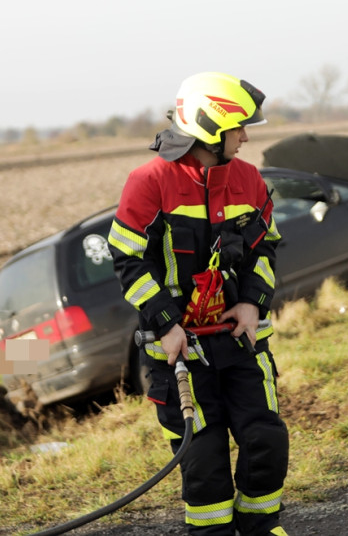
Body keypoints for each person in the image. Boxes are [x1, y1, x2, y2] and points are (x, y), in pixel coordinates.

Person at [107, 72, 289, 536]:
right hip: (180, 352)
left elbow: (265, 249)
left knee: (265, 440)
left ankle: (261, 528)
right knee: (204, 460)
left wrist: (252, 304)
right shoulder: (149, 181)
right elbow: (127, 259)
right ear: (211, 127)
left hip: (241, 343)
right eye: (239, 127)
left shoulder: (248, 180)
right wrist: (167, 325)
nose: (246, 137)